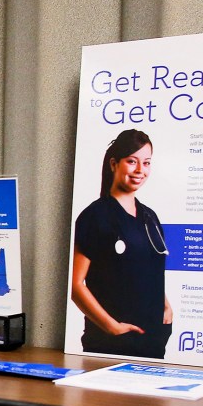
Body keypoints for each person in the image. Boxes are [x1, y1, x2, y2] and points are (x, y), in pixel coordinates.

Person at [70, 129, 173, 359]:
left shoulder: (150, 217)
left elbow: (149, 269)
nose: (140, 170)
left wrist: (165, 306)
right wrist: (111, 327)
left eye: (146, 163)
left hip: (153, 339)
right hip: (111, 343)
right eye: (132, 161)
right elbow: (76, 286)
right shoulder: (95, 216)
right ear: (114, 164)